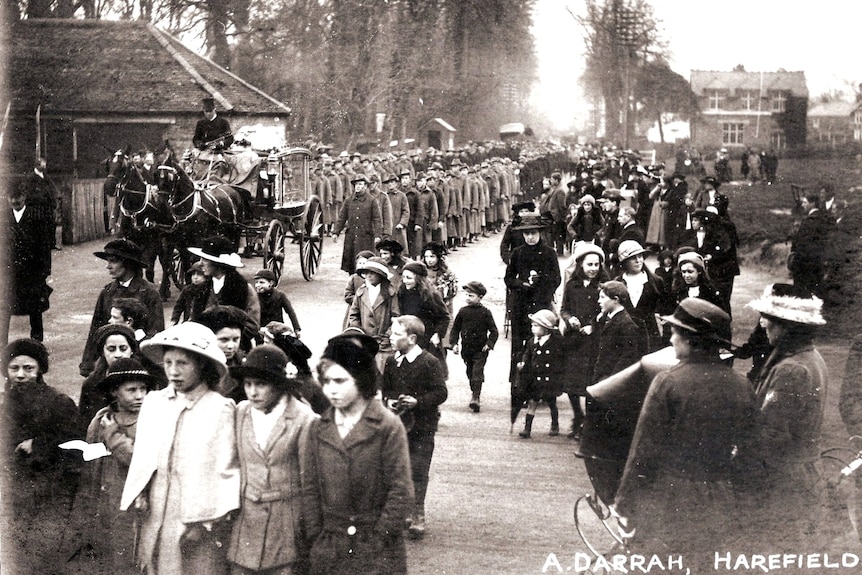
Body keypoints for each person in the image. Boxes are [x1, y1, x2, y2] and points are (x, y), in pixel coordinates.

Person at [611, 299, 758, 570]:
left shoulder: (668, 382)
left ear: (691, 340)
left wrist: (625, 503)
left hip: (672, 499)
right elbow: (750, 449)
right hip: (722, 501)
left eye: (676, 331)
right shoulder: (742, 385)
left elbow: (644, 450)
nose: (671, 337)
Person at [120, 322, 240, 575]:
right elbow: (144, 457)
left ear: (202, 365)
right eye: (168, 362)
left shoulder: (220, 409)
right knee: (154, 563)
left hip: (195, 518)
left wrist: (205, 521)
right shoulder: (155, 402)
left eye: (183, 363)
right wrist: (140, 492)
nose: (173, 371)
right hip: (156, 510)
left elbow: (226, 469)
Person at [303, 332, 414, 575]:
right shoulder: (319, 426)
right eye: (327, 381)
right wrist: (316, 535)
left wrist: (379, 538)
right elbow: (309, 487)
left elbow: (401, 490)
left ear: (360, 378)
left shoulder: (387, 425)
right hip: (330, 547)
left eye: (341, 381)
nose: (331, 390)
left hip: (375, 551)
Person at [746, 283, 828, 553]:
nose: (762, 323)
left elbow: (771, 432)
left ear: (788, 325)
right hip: (801, 475)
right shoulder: (810, 357)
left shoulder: (791, 369)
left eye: (769, 318)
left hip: (782, 482)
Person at [227, 345, 318, 575]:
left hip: (285, 525)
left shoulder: (303, 419)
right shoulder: (241, 412)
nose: (252, 392)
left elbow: (310, 482)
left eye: (260, 384)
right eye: (248, 384)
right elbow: (233, 463)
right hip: (245, 525)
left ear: (278, 384)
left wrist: (310, 531)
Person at [66, 357, 157, 575]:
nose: (139, 396)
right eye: (132, 390)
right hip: (104, 498)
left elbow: (142, 460)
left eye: (143, 389)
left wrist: (114, 435)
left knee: (130, 556)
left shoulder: (149, 420)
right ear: (115, 391)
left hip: (134, 502)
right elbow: (92, 458)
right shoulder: (101, 418)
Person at [1, 339, 80, 574]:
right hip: (17, 490)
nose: (21, 375)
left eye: (28, 368)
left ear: (40, 370)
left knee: (43, 553)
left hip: (52, 489)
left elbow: (74, 443)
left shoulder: (58, 402)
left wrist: (38, 444)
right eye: (14, 368)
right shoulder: (7, 404)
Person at [381, 315, 448, 539]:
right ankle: (405, 511)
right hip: (399, 426)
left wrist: (418, 402)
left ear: (411, 338)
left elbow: (441, 392)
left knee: (419, 469)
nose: (391, 337)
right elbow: (387, 390)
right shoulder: (392, 361)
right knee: (399, 469)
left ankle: (418, 512)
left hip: (422, 427)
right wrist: (389, 401)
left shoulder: (429, 362)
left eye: (396, 334)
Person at [577, 280, 642, 504]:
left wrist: (609, 379)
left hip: (612, 384)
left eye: (603, 297)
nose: (599, 300)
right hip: (603, 378)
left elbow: (627, 357)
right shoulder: (609, 319)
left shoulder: (626, 324)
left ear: (616, 300)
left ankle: (606, 480)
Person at [80, 238, 165, 377]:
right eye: (108, 261)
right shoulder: (107, 292)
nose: (108, 266)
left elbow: (155, 333)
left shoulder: (149, 293)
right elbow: (96, 329)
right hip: (109, 363)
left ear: (128, 264)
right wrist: (88, 364)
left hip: (140, 365)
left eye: (113, 261)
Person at [504, 214, 561, 388]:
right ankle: (517, 380)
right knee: (518, 343)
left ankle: (538, 383)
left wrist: (541, 281)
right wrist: (521, 284)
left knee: (538, 342)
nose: (530, 237)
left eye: (533, 233)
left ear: (540, 233)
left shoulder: (549, 253)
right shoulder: (517, 253)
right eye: (526, 233)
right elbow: (508, 279)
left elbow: (556, 279)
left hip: (540, 305)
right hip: (520, 304)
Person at [559, 242, 609, 440]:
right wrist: (569, 318)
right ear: (580, 265)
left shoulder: (602, 287)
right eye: (589, 265)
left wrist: (593, 326)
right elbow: (564, 308)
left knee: (589, 382)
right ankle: (577, 416)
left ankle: (588, 422)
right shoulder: (572, 285)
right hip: (574, 340)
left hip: (594, 341)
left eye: (596, 265)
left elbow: (606, 311)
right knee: (571, 382)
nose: (593, 269)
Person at [2, 184, 53, 345]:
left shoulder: (36, 217)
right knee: (4, 306)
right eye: (12, 197)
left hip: (32, 271)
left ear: (24, 197)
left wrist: (45, 270)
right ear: (8, 199)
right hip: (9, 272)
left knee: (35, 307)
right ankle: (2, 342)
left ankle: (37, 341)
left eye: (18, 197)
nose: (15, 201)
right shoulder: (3, 218)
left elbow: (45, 245)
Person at [189, 235, 261, 347]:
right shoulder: (202, 289)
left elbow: (252, 325)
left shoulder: (243, 289)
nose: (200, 263)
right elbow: (194, 319)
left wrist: (227, 341)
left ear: (218, 264)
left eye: (205, 259)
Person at [515, 309, 565, 438]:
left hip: (549, 378)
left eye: (536, 326)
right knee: (532, 402)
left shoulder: (554, 343)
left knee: (551, 403)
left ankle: (555, 424)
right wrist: (523, 363)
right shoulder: (532, 341)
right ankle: (527, 428)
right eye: (532, 325)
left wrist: (558, 373)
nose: (533, 328)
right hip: (535, 378)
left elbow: (560, 359)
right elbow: (527, 353)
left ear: (547, 329)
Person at [450, 281, 498, 413]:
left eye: (471, 295)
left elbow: (494, 331)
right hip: (467, 349)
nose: (467, 298)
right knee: (470, 371)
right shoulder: (463, 311)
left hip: (480, 349)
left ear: (480, 297)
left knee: (477, 371)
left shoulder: (485, 312)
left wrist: (489, 344)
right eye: (466, 295)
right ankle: (474, 391)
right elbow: (455, 329)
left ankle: (475, 397)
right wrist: (454, 344)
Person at [346, 256, 401, 371]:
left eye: (372, 273)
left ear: (380, 275)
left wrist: (387, 337)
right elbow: (353, 314)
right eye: (366, 273)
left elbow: (396, 317)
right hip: (365, 342)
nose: (369, 276)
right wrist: (359, 333)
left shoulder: (390, 294)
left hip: (383, 344)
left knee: (382, 374)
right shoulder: (361, 292)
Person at [397, 261, 450, 372]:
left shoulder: (431, 295)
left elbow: (444, 316)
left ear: (419, 279)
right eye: (403, 277)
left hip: (427, 339)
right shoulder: (401, 292)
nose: (405, 281)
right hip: (409, 337)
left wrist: (437, 334)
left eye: (409, 278)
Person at [615, 240, 664, 353]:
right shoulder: (618, 283)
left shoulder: (655, 281)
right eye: (633, 258)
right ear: (625, 262)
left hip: (650, 334)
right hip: (625, 335)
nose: (638, 261)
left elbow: (664, 306)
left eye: (640, 256)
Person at [331, 174, 384, 275]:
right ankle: (353, 284)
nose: (358, 187)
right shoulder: (348, 201)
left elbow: (377, 219)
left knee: (366, 263)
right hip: (351, 237)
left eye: (360, 184)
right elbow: (342, 218)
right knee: (352, 264)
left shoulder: (372, 201)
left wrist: (378, 235)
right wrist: (336, 232)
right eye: (356, 184)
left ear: (365, 186)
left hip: (366, 237)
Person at [198, 304, 249, 403]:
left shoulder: (245, 366)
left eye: (235, 339)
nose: (231, 346)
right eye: (224, 340)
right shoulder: (197, 367)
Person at [788, 192, 836, 298]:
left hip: (804, 262)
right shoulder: (823, 218)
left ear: (812, 204)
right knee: (814, 290)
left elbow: (803, 243)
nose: (802, 205)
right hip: (817, 261)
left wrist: (795, 259)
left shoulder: (809, 221)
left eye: (805, 202)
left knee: (802, 292)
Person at [253, 269, 301, 337]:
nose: (257, 285)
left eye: (261, 282)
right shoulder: (254, 297)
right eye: (256, 282)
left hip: (277, 331)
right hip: (261, 333)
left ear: (271, 283)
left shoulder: (280, 296)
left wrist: (296, 328)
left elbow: (290, 312)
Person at [169, 260, 210, 326]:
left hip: (203, 323)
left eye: (199, 274)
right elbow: (179, 306)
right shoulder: (187, 290)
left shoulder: (208, 290)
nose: (195, 277)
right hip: (188, 321)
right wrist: (174, 319)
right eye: (193, 274)